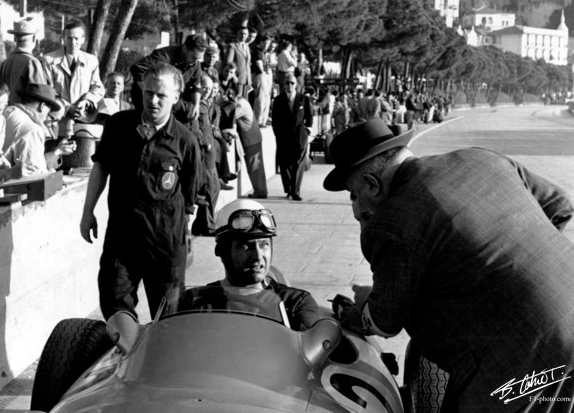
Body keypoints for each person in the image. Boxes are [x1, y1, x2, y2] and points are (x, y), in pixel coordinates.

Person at [324, 119, 574, 412]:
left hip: (521, 369)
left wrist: (366, 305)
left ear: (371, 183)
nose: (358, 204)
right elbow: (559, 206)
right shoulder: (479, 158)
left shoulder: (391, 221)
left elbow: (385, 321)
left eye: (355, 192)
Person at [80, 62, 201, 321]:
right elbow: (101, 168)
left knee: (169, 316)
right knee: (114, 304)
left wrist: (186, 236)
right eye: (148, 93)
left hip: (165, 243)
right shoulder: (119, 125)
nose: (153, 101)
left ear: (176, 98)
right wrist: (87, 212)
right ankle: (127, 355)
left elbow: (190, 200)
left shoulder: (186, 142)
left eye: (161, 95)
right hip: (123, 238)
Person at [196, 199, 319, 331]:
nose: (258, 256)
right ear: (222, 251)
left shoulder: (295, 303)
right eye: (246, 246)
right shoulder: (196, 301)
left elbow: (308, 344)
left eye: (264, 244)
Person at [42, 20, 104, 137]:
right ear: (63, 39)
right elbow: (46, 91)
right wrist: (68, 107)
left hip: (84, 120)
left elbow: (97, 88)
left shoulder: (91, 61)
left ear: (83, 39)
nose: (73, 42)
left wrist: (86, 102)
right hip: (56, 119)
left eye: (76, 38)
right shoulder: (48, 60)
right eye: (69, 38)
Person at [129, 33, 207, 126]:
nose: (195, 62)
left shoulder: (195, 63)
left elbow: (196, 85)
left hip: (171, 98)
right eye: (194, 58)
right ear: (185, 48)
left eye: (198, 59)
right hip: (146, 98)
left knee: (187, 121)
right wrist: (148, 92)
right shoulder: (163, 56)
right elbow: (138, 69)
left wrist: (196, 105)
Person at [1, 83, 76, 179]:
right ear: (42, 106)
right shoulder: (33, 130)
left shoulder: (7, 111)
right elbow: (36, 176)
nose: (45, 118)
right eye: (49, 113)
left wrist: (57, 152)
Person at [271, 73, 312, 201]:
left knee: (298, 163)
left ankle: (295, 191)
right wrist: (277, 134)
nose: (290, 85)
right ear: (284, 85)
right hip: (283, 136)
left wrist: (308, 130)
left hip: (300, 136)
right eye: (287, 83)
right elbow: (275, 120)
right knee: (285, 164)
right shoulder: (278, 100)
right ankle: (288, 188)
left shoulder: (303, 99)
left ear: (296, 85)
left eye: (292, 83)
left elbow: (309, 116)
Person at [191, 74, 220, 236]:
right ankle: (208, 226)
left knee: (213, 189)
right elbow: (193, 126)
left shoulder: (207, 105)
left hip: (210, 154)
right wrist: (204, 142)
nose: (208, 92)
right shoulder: (197, 106)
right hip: (204, 152)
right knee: (210, 189)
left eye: (210, 89)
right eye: (205, 89)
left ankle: (200, 224)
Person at [0, 16, 47, 105]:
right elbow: (40, 97)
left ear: (14, 38)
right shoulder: (32, 62)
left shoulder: (5, 63)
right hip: (24, 115)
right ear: (34, 38)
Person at [224, 26, 251, 99]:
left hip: (246, 81)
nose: (243, 36)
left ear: (248, 35)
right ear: (237, 34)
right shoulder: (232, 46)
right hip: (237, 80)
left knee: (244, 104)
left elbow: (247, 63)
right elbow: (228, 62)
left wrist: (249, 80)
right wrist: (233, 76)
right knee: (237, 103)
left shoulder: (247, 47)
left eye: (245, 34)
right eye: (241, 33)